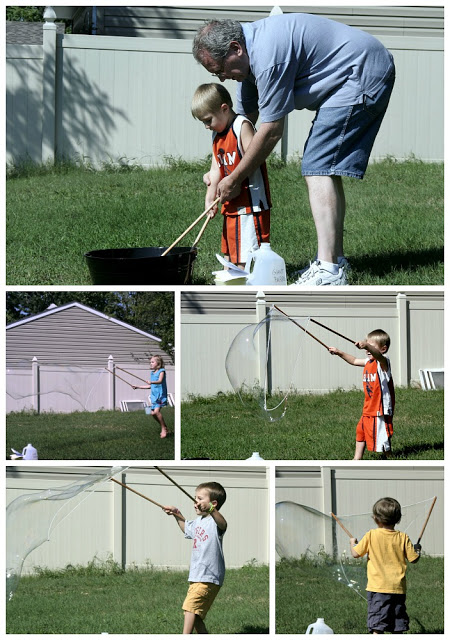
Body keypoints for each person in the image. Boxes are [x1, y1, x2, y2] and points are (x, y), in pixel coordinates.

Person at [192, 15, 395, 285]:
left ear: (235, 49)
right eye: (216, 75)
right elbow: (240, 125)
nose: (223, 78)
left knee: (318, 164)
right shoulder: (248, 62)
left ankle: (329, 270)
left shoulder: (268, 58)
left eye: (221, 70)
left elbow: (272, 130)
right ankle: (335, 260)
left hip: (361, 73)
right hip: (353, 74)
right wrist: (219, 171)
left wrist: (236, 178)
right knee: (322, 166)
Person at [192, 82, 271, 269]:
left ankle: (243, 282)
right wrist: (209, 198)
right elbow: (215, 169)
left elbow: (255, 159)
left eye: (208, 120)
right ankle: (230, 276)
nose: (206, 126)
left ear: (224, 109)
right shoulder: (217, 134)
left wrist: (235, 179)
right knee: (230, 250)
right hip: (231, 204)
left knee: (246, 252)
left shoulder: (241, 126)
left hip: (251, 205)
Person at [350, 497, 420, 634]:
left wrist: (353, 543)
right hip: (398, 589)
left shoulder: (371, 535)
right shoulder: (403, 537)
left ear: (376, 518)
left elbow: (355, 553)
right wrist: (417, 549)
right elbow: (414, 559)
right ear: (398, 519)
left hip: (378, 588)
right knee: (397, 625)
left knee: (377, 624)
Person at [164, 481, 227, 634]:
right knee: (193, 614)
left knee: (190, 609)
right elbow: (187, 529)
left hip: (209, 577)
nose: (195, 503)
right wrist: (176, 513)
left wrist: (212, 510)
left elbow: (223, 523)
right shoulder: (198, 522)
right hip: (197, 575)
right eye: (195, 499)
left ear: (213, 503)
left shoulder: (215, 523)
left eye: (199, 499)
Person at [328, 329, 395, 459]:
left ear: (383, 349)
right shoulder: (368, 362)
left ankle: (390, 458)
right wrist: (339, 352)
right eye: (367, 346)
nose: (368, 349)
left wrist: (366, 345)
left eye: (372, 346)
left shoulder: (383, 362)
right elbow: (353, 361)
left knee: (382, 436)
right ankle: (356, 459)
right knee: (361, 431)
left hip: (380, 409)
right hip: (369, 406)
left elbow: (378, 356)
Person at [132, 355, 169, 439]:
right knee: (152, 413)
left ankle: (163, 428)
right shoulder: (152, 373)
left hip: (160, 395)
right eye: (150, 362)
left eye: (152, 362)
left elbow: (159, 381)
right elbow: (151, 386)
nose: (151, 364)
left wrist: (151, 382)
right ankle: (164, 426)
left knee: (156, 412)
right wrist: (138, 387)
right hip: (154, 396)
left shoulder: (161, 371)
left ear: (158, 363)